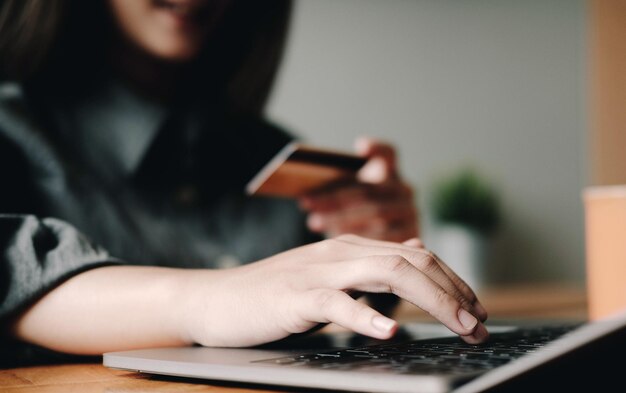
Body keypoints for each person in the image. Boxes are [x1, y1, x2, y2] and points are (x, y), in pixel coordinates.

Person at [0, 0, 488, 366]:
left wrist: (377, 252)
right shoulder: (12, 129)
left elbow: (329, 330)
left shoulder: (274, 155)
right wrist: (209, 298)